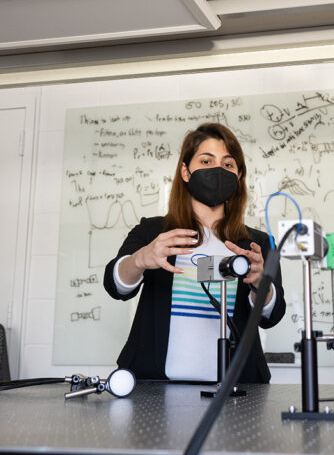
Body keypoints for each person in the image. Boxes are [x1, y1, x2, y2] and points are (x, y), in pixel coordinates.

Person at [103, 123, 286, 384]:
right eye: (206, 160)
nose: (217, 170)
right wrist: (141, 258)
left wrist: (261, 284)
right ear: (186, 171)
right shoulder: (155, 231)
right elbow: (115, 286)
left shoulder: (256, 244)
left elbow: (272, 315)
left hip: (236, 392)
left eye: (228, 164)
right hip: (154, 388)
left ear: (238, 176)